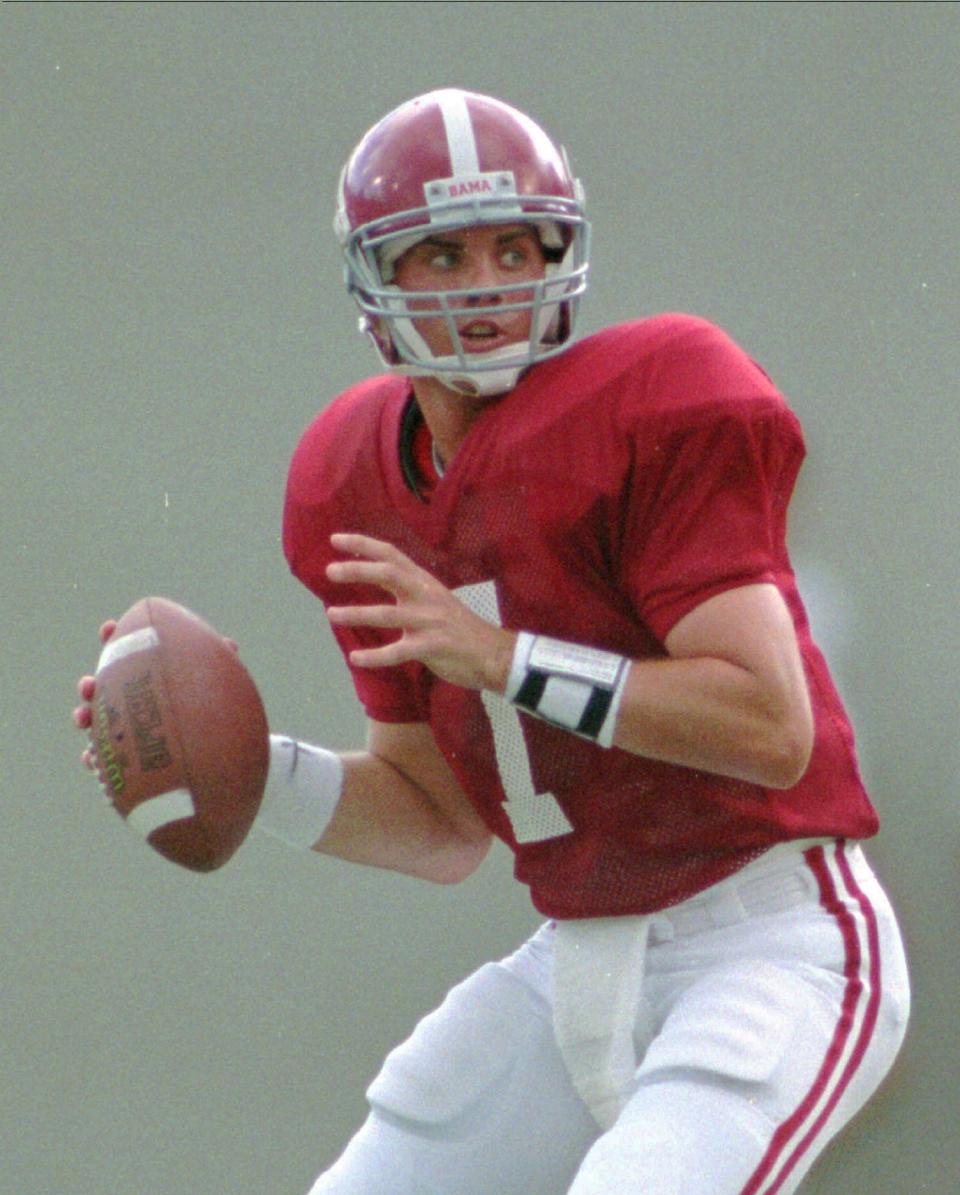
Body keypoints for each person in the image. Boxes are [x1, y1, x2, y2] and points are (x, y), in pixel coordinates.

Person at [74, 89, 910, 1194]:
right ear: (377, 279)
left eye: (514, 245)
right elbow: (440, 823)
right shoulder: (348, 478)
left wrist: (503, 657)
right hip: (576, 957)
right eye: (445, 254)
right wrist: (244, 770)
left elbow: (768, 726)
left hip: (770, 943)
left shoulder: (659, 398)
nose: (487, 283)